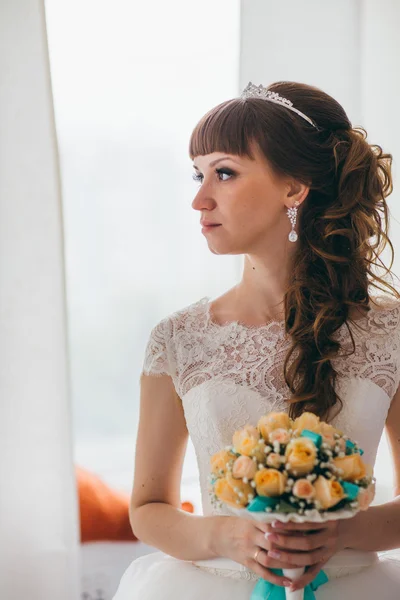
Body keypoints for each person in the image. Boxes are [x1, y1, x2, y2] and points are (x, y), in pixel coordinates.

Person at [112, 81, 400, 599]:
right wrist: (222, 533)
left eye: (224, 173)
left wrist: (337, 532)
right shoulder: (178, 339)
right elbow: (147, 508)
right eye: (197, 174)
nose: (200, 198)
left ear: (294, 189)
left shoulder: (392, 332)